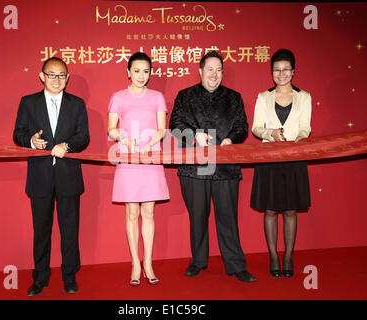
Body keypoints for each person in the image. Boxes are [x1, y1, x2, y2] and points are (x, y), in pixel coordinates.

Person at [169, 51, 256, 283]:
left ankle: (236, 265)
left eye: (219, 70)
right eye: (210, 69)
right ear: (200, 71)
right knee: (197, 216)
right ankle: (198, 261)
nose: (214, 74)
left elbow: (242, 126)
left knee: (228, 217)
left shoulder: (234, 97)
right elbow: (175, 126)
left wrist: (233, 140)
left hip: (225, 167)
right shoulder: (184, 96)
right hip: (194, 168)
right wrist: (195, 135)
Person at [13, 57, 90, 296]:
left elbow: (83, 137)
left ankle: (69, 276)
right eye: (51, 75)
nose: (57, 80)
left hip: (69, 176)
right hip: (40, 175)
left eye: (61, 75)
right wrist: (30, 141)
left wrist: (67, 146)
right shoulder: (28, 102)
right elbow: (18, 133)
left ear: (67, 79)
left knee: (70, 230)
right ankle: (40, 278)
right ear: (41, 76)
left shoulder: (77, 104)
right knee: (41, 230)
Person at [107, 52, 169, 286]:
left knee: (149, 213)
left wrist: (150, 144)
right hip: (128, 158)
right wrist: (125, 138)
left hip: (151, 158)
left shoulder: (157, 97)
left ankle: (148, 263)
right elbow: (111, 128)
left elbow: (162, 130)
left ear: (150, 73)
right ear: (128, 72)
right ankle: (135, 263)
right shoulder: (118, 97)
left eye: (146, 71)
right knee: (132, 213)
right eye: (136, 71)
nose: (141, 76)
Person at [250, 48, 311, 278]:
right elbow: (256, 128)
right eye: (277, 70)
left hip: (294, 157)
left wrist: (299, 139)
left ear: (293, 71)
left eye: (286, 69)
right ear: (272, 72)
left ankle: (288, 256)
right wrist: (270, 132)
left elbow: (306, 126)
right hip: (269, 158)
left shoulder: (304, 97)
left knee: (291, 210)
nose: (281, 74)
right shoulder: (263, 97)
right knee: (270, 209)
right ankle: (274, 255)